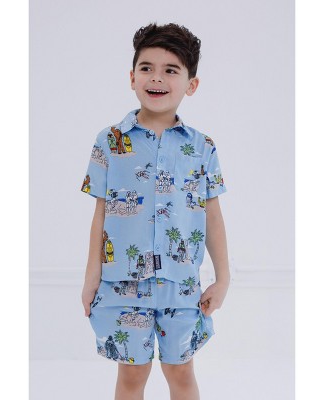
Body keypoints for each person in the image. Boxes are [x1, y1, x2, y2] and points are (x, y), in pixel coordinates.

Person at [80, 22, 230, 400]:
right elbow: (101, 214)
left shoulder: (203, 147)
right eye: (146, 68)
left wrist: (223, 278)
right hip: (122, 284)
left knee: (181, 372)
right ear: (132, 77)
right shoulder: (110, 141)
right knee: (132, 375)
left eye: (170, 70)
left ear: (191, 85)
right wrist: (91, 277)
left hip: (181, 286)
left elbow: (212, 216)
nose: (157, 78)